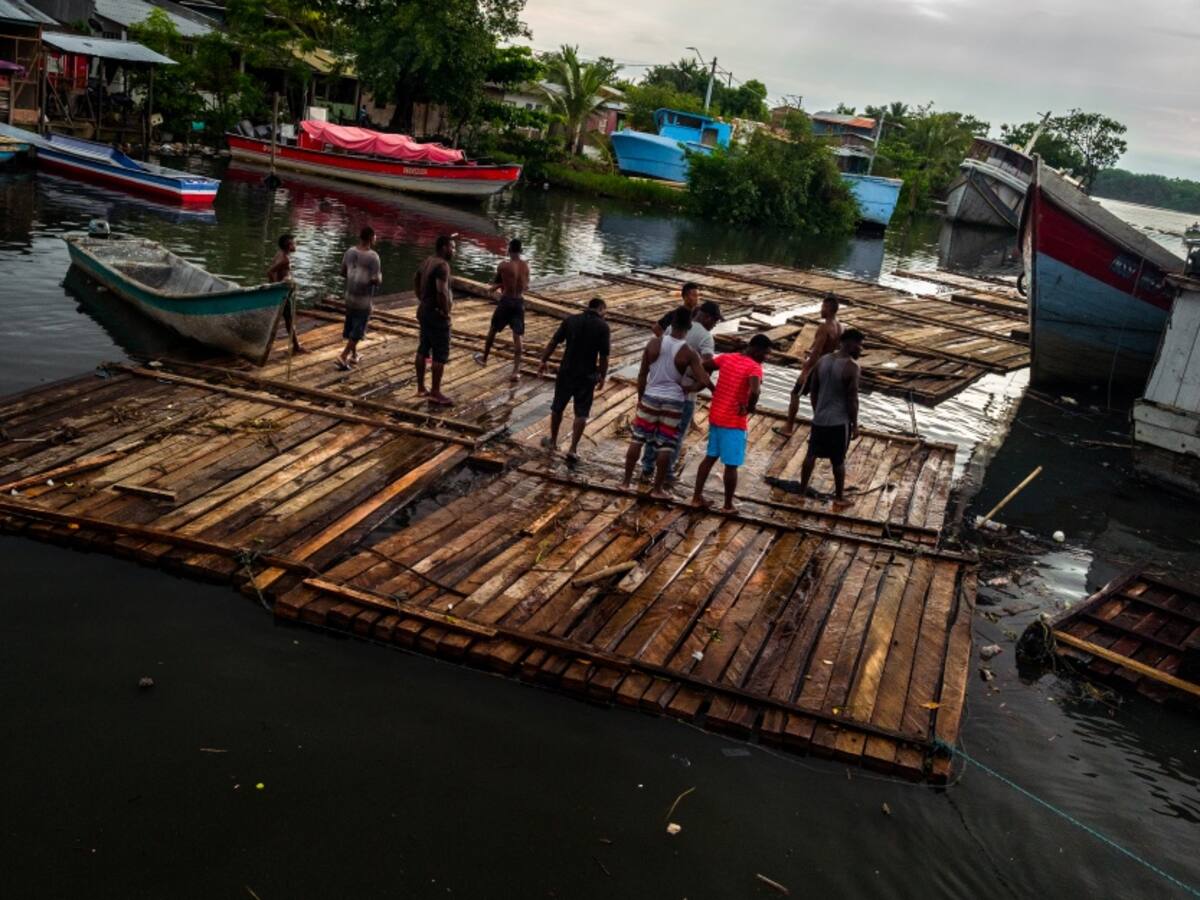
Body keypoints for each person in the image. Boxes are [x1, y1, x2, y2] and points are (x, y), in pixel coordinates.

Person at [623, 307, 714, 498]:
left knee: (638, 439)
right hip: (674, 401)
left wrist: (641, 399)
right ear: (689, 327)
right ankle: (657, 489)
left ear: (671, 325)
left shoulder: (653, 343)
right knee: (665, 445)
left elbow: (641, 375)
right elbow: (704, 379)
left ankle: (625, 483)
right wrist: (689, 389)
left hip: (651, 395)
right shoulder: (688, 352)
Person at [640, 299, 722, 484]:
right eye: (715, 321)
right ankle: (666, 475)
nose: (715, 325)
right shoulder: (706, 337)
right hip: (683, 395)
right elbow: (709, 363)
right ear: (707, 317)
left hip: (659, 390)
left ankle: (647, 468)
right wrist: (699, 385)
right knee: (673, 437)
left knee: (654, 433)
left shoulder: (672, 329)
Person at [691, 334, 772, 513]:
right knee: (731, 465)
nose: (767, 358)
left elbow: (703, 365)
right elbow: (756, 391)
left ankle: (696, 497)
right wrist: (750, 408)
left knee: (710, 457)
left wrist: (710, 386)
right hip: (734, 421)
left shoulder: (727, 358)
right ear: (757, 350)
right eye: (766, 354)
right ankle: (728, 505)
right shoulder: (755, 367)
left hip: (716, 415)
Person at [538, 296, 610, 464]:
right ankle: (572, 449)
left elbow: (554, 341)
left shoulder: (571, 320)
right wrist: (602, 376)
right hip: (587, 374)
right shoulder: (603, 327)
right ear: (601, 309)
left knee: (558, 407)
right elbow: (604, 356)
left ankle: (553, 442)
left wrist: (543, 360)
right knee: (581, 412)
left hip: (567, 371)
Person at [798, 328, 863, 507]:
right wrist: (855, 424)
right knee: (838, 461)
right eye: (859, 345)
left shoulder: (823, 360)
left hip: (819, 419)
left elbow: (813, 388)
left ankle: (801, 492)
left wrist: (817, 410)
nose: (860, 349)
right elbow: (852, 399)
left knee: (811, 455)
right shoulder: (852, 367)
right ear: (849, 343)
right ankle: (840, 498)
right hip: (838, 422)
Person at [776, 295, 844, 437]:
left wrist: (805, 371)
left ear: (828, 308)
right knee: (818, 400)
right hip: (829, 367)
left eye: (823, 307)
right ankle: (819, 431)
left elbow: (817, 352)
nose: (821, 310)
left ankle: (788, 428)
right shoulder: (840, 327)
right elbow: (832, 349)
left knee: (795, 394)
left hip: (816, 367)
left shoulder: (824, 327)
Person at [475, 238, 530, 382]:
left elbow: (498, 281)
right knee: (517, 336)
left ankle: (484, 358)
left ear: (509, 250)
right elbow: (526, 286)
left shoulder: (503, 266)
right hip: (519, 301)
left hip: (506, 301)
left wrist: (495, 287)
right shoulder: (526, 266)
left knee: (493, 330)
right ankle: (515, 372)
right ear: (521, 251)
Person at [413, 235, 455, 406]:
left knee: (423, 348)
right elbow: (441, 291)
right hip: (436, 314)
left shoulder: (428, 261)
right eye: (452, 247)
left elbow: (415, 278)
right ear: (444, 247)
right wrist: (445, 311)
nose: (454, 251)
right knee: (440, 352)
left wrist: (421, 298)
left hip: (424, 310)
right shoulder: (442, 266)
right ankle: (435, 392)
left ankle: (421, 387)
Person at [336, 226, 381, 371]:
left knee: (352, 323)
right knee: (358, 329)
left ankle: (354, 355)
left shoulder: (349, 252)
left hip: (349, 296)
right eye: (375, 236)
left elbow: (343, 272)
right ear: (370, 238)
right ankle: (343, 355)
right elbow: (375, 280)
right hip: (363, 299)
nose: (376, 239)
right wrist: (380, 278)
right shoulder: (373, 257)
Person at [265, 232, 305, 355]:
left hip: (284, 291)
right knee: (289, 319)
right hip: (284, 293)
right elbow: (270, 272)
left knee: (286, 319)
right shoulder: (285, 259)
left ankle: (296, 345)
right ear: (289, 245)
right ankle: (296, 347)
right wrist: (276, 288)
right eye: (294, 243)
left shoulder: (279, 254)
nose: (296, 245)